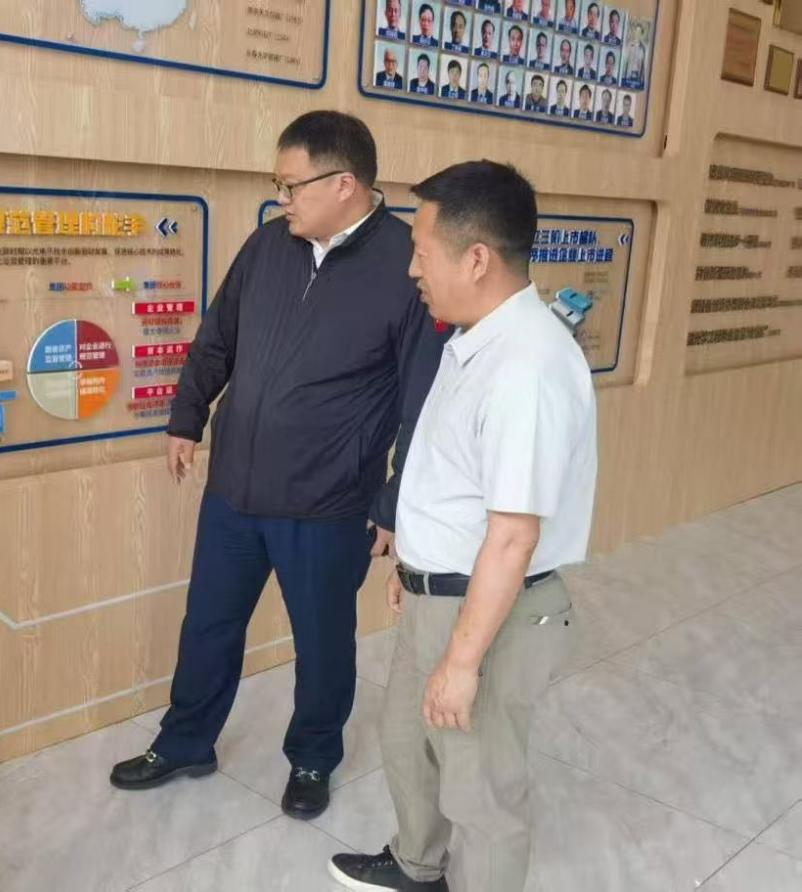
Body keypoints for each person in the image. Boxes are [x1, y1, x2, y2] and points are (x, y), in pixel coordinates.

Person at [109, 111, 447, 821]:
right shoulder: (268, 245)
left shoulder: (405, 265)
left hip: (328, 503)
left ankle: (313, 757)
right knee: (208, 625)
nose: (281, 199)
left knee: (322, 643)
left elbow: (424, 400)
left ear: (345, 184)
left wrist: (392, 504)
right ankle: (186, 741)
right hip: (235, 490)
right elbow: (217, 337)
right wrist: (186, 416)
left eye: (291, 185)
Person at [327, 159, 597, 892]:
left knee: (481, 790)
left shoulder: (526, 367)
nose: (412, 269)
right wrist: (414, 565)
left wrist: (463, 662)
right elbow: (454, 478)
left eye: (422, 251)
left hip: (489, 610)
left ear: (476, 258)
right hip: (439, 592)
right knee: (407, 741)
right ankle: (418, 864)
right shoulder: (475, 340)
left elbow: (513, 535)